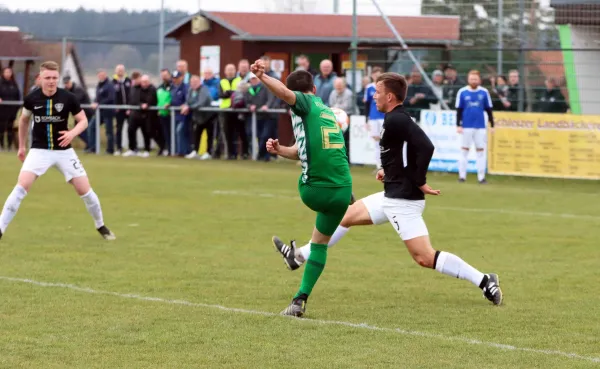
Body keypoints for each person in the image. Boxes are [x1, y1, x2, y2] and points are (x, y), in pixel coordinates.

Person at [273, 72, 503, 307]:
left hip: (403, 201)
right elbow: (404, 153)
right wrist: (388, 171)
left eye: (378, 92)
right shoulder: (392, 119)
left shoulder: (397, 120)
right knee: (344, 216)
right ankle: (299, 256)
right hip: (391, 195)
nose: (374, 96)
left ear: (390, 97)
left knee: (424, 257)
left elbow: (426, 147)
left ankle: (485, 280)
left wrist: (419, 181)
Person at [251, 58, 353, 318]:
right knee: (319, 243)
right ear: (316, 88)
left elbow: (286, 94)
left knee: (305, 181)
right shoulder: (326, 111)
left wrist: (262, 76)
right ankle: (299, 300)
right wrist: (280, 150)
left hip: (315, 191)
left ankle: (293, 259)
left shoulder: (305, 103)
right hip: (343, 191)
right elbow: (301, 150)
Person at [0, 61, 115, 241]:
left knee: (85, 191)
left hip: (64, 151)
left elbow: (83, 121)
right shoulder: (32, 98)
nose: (52, 81)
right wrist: (22, 146)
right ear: (40, 78)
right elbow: (23, 121)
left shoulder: (68, 98)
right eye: (48, 78)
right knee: (21, 187)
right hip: (39, 150)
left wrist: (72, 133)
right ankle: (0, 229)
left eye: (54, 78)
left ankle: (100, 225)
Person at [456, 70, 494, 184]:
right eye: (471, 78)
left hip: (480, 127)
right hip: (466, 126)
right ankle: (462, 176)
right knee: (464, 151)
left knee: (481, 151)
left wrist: (492, 124)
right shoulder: (462, 92)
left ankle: (481, 178)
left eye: (475, 79)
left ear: (479, 80)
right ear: (468, 79)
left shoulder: (484, 92)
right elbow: (459, 109)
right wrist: (458, 124)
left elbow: (489, 109)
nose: (473, 81)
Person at [125, 75, 157, 157]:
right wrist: (138, 105)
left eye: (146, 82)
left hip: (146, 115)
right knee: (130, 130)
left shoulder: (152, 89)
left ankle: (147, 150)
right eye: (143, 82)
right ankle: (132, 149)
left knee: (146, 132)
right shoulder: (136, 88)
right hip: (136, 114)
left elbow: (151, 99)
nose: (144, 84)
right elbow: (134, 100)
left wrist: (147, 104)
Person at [364, 67, 385, 169]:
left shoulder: (385, 87)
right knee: (376, 140)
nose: (376, 76)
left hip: (383, 116)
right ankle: (379, 165)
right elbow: (367, 104)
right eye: (374, 74)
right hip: (373, 117)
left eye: (378, 74)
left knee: (384, 140)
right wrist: (366, 119)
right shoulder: (369, 88)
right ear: (372, 75)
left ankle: (386, 163)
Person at [0, 67, 21, 151]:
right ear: (3, 73)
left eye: (9, 72)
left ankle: (9, 146)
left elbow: (18, 96)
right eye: (6, 72)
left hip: (12, 111)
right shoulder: (0, 84)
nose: (8, 73)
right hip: (2, 111)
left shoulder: (14, 84)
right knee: (1, 128)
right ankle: (1, 146)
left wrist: (17, 107)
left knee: (10, 128)